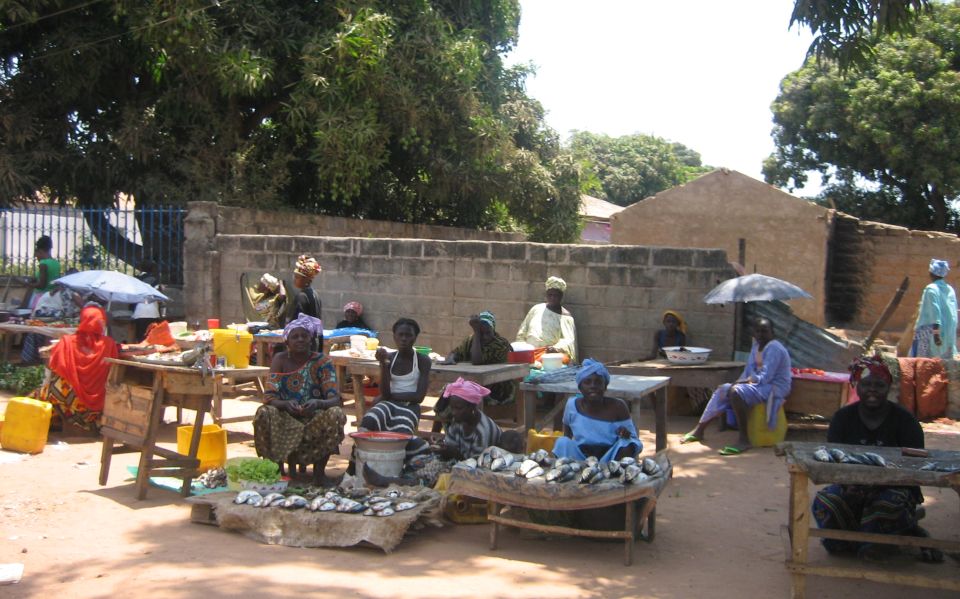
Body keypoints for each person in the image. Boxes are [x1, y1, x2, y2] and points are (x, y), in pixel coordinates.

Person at [811, 356, 941, 562]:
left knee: (887, 503)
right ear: (856, 385)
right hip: (851, 486)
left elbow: (916, 469)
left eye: (879, 385)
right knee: (826, 501)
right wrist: (849, 485)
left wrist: (880, 484)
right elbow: (834, 462)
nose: (872, 389)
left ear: (888, 387)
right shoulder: (842, 419)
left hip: (895, 487)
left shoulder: (906, 421)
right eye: (866, 384)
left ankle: (878, 542)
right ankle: (847, 541)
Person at [253, 314, 345, 485]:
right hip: (285, 418)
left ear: (311, 340)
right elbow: (269, 397)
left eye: (304, 336)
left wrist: (318, 403)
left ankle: (319, 474)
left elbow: (334, 399)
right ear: (287, 342)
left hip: (314, 419)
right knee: (264, 413)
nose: (300, 340)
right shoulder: (279, 360)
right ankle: (277, 471)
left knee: (336, 414)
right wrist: (285, 405)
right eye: (295, 336)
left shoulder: (322, 362)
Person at [681, 317, 791, 455]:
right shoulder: (756, 346)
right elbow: (748, 370)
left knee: (736, 392)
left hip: (775, 387)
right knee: (723, 389)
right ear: (753, 333)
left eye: (765, 331)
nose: (761, 335)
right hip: (758, 384)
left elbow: (766, 376)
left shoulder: (775, 348)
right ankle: (699, 429)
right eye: (758, 331)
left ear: (772, 333)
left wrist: (744, 382)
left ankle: (744, 440)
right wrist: (740, 381)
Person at [359, 318, 432, 462]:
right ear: (394, 336)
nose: (404, 339)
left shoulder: (423, 361)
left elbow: (418, 397)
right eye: (400, 335)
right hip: (389, 404)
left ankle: (397, 466)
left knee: (401, 432)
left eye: (408, 335)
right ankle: (358, 464)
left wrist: (389, 396)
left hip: (410, 406)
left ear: (415, 337)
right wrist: (383, 364)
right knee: (369, 420)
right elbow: (384, 392)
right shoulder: (389, 358)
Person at [37, 305, 119, 433]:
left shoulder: (67, 342)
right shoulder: (109, 344)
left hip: (67, 400)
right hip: (97, 404)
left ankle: (54, 419)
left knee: (49, 388)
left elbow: (55, 365)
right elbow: (114, 368)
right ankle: (86, 421)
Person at [433, 311, 515, 432]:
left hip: (497, 391)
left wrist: (476, 333)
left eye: (488, 333)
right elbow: (456, 352)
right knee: (448, 392)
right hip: (474, 385)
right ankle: (435, 434)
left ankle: (464, 434)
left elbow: (477, 360)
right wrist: (451, 358)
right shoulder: (471, 341)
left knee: (462, 397)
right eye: (481, 333)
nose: (485, 337)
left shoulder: (501, 344)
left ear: (494, 330)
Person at [552, 359, 641, 463]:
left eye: (598, 382)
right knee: (562, 442)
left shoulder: (618, 406)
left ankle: (613, 474)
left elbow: (633, 438)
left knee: (626, 444)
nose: (593, 386)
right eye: (587, 382)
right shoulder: (572, 405)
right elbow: (567, 435)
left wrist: (625, 434)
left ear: (605, 386)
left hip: (610, 457)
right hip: (581, 457)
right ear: (580, 387)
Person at [434, 378, 503, 461]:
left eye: (458, 408)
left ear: (472, 407)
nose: (453, 412)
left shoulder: (482, 432)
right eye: (452, 408)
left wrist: (454, 453)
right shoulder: (458, 421)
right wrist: (442, 448)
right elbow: (450, 445)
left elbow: (475, 466)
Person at [515, 275, 578, 363]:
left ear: (561, 296)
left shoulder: (565, 316)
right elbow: (523, 330)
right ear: (546, 295)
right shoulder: (536, 309)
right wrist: (520, 347)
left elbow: (568, 340)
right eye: (550, 295)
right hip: (529, 353)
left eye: (556, 296)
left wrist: (555, 348)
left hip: (549, 355)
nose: (552, 298)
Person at [21, 281, 82, 364]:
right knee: (51, 339)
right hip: (55, 323)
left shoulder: (47, 293)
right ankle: (49, 362)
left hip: (38, 321)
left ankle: (37, 361)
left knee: (44, 337)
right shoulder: (70, 293)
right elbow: (82, 307)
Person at [909, 258, 958, 359]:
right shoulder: (950, 289)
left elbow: (935, 311)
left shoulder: (931, 289)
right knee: (944, 365)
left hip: (930, 331)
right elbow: (953, 313)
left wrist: (936, 334)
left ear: (932, 273)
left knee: (923, 362)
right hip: (949, 333)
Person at [282, 254, 322, 325]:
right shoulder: (315, 294)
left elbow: (296, 321)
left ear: (306, 280)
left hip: (303, 334)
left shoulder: (302, 296)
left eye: (297, 277)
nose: (294, 279)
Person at [23, 235, 61, 310]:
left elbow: (41, 285)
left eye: (36, 255)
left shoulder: (43, 264)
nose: (36, 258)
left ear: (40, 251)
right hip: (53, 297)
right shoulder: (56, 263)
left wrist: (27, 284)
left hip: (41, 298)